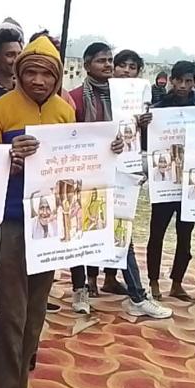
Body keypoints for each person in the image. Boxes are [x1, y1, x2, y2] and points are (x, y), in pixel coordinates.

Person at [0, 35, 123, 388]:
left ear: (57, 77)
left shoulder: (64, 110)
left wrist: (108, 150)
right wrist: (8, 158)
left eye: (47, 74)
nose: (38, 81)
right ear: (18, 72)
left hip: (49, 225)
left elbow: (75, 160)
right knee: (12, 313)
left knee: (36, 312)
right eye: (31, 72)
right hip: (10, 223)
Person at [67, 42, 125, 306]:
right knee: (77, 231)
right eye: (102, 60)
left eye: (110, 60)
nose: (108, 65)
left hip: (111, 173)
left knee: (104, 226)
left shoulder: (120, 99)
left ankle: (102, 277)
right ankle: (79, 286)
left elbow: (127, 131)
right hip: (80, 173)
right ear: (87, 65)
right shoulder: (74, 98)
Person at [146, 60, 195, 302]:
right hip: (164, 183)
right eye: (178, 80)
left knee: (185, 236)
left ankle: (177, 283)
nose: (182, 86)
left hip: (188, 184)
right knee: (156, 234)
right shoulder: (157, 110)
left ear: (194, 83)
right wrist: (144, 125)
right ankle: (153, 281)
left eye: (188, 81)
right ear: (171, 80)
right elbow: (146, 142)